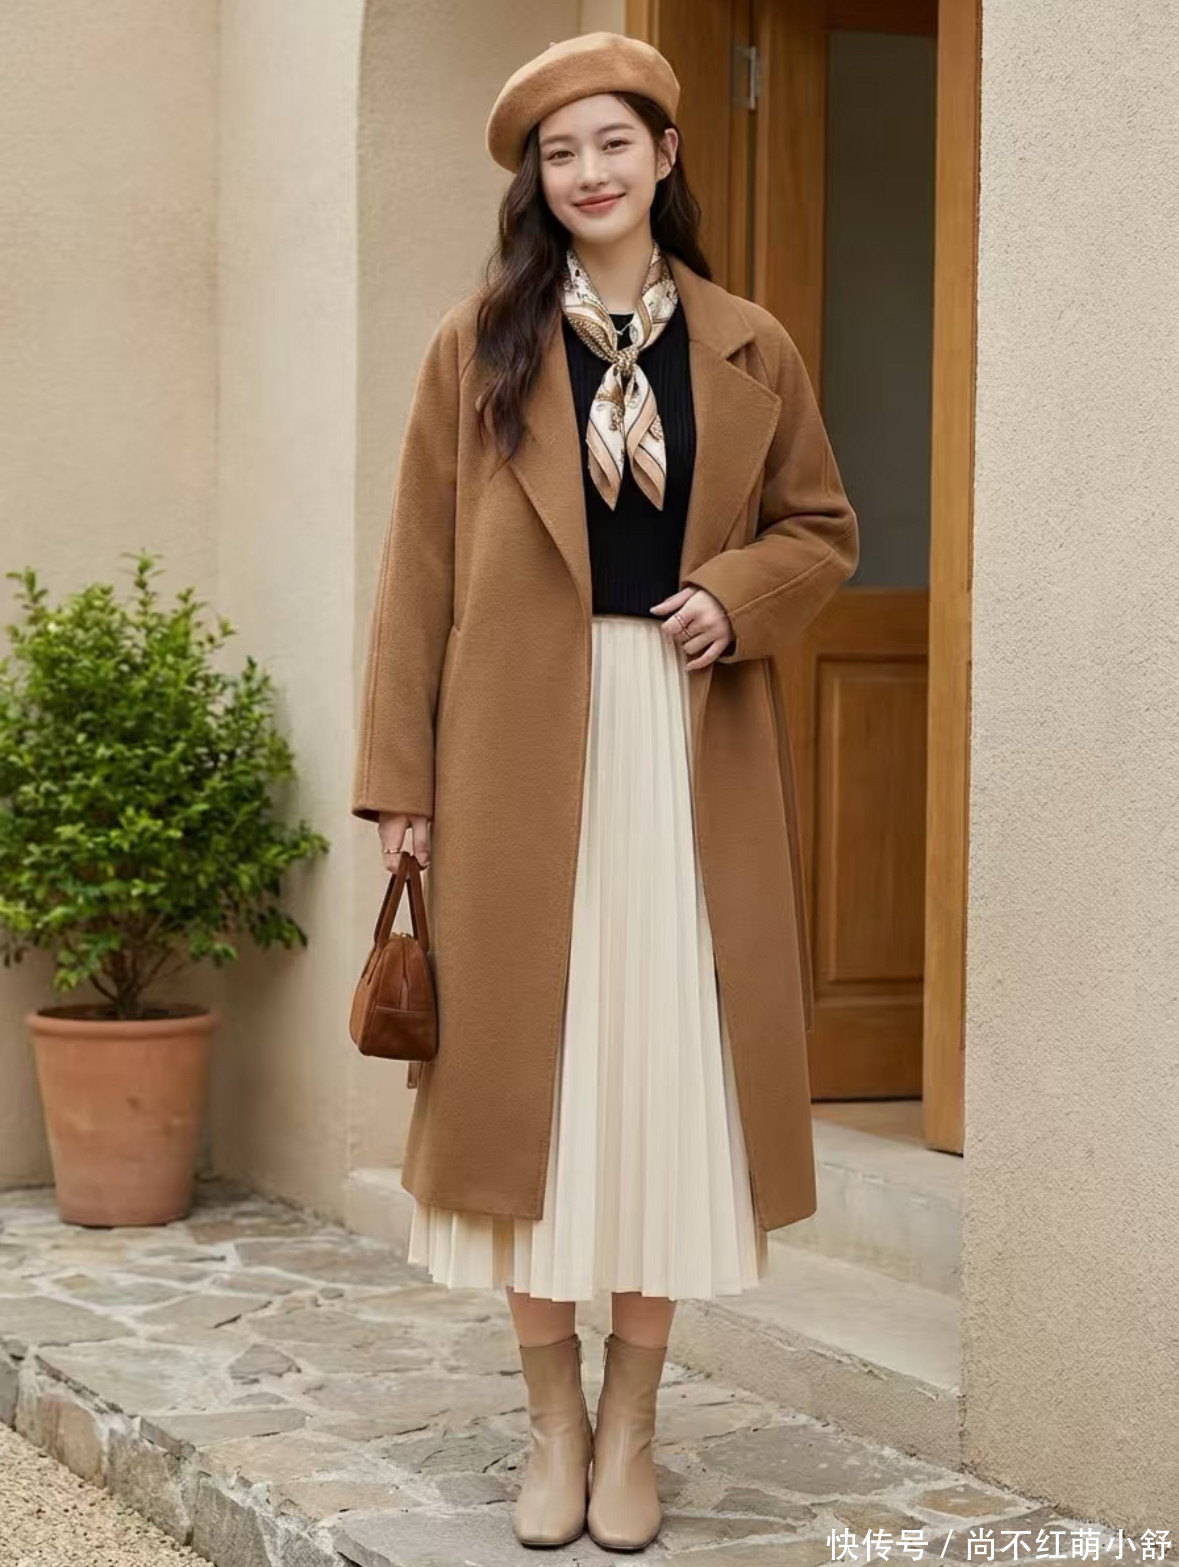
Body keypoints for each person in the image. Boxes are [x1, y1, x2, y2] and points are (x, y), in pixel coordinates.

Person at [350, 30, 859, 1554]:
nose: (589, 172)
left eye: (613, 144)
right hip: (516, 757)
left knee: (663, 1086)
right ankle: (552, 1425)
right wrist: (400, 782)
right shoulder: (478, 345)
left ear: (665, 156)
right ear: (538, 178)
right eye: (560, 152)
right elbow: (417, 576)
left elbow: (821, 529)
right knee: (531, 1090)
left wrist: (734, 596)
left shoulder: (753, 347)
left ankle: (634, 1422)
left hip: (684, 747)